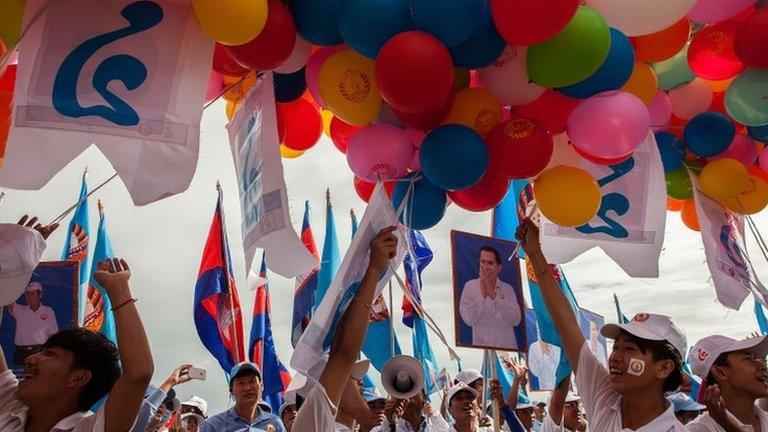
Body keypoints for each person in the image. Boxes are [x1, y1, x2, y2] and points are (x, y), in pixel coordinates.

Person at [516, 219, 688, 431]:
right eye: (616, 347)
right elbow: (565, 322)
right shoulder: (603, 396)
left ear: (663, 368)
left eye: (629, 349)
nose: (615, 356)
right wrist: (535, 252)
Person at [0, 255, 154, 431]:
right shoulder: (9, 406)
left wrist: (118, 289)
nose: (31, 359)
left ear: (79, 377)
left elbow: (138, 374)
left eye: (50, 353)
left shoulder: (89, 429)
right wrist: (14, 255)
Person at [292, 227, 399, 431]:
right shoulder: (315, 425)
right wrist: (373, 271)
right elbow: (343, 354)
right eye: (350, 378)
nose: (362, 386)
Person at [687, 334, 768, 431]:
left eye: (755, 359)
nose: (762, 366)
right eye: (748, 359)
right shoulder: (700, 429)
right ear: (720, 372)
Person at [459, 246, 522, 349]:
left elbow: (516, 320)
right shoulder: (470, 286)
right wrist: (483, 297)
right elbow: (469, 320)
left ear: (499, 268)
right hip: (485, 352)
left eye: (490, 263)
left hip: (509, 353)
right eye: (482, 262)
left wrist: (493, 296)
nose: (485, 267)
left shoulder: (508, 289)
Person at [200, 361, 286, 431]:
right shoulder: (213, 426)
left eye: (252, 381)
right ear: (231, 391)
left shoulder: (275, 423)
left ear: (262, 386)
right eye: (241, 383)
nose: (248, 388)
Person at [7, 281, 59, 366]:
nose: (29, 297)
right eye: (27, 294)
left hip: (40, 350)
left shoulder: (48, 311)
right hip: (21, 352)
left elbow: (53, 333)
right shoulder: (20, 310)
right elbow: (9, 301)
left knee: (40, 376)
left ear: (40, 295)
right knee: (22, 377)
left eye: (32, 294)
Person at [133, 364, 197, 432]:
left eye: (166, 404)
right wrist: (171, 381)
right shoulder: (124, 426)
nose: (161, 405)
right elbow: (148, 408)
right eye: (156, 400)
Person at [374, 389, 450, 431]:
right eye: (401, 391)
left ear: (424, 397)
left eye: (412, 388)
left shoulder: (439, 428)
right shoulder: (387, 427)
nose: (406, 395)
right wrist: (390, 422)